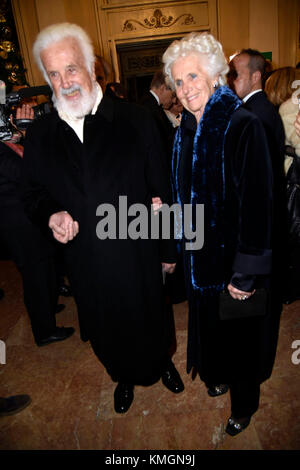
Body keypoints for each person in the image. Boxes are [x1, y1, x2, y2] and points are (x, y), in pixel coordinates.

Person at [21, 22, 184, 414]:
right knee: (106, 328)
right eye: (54, 74)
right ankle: (122, 376)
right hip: (85, 260)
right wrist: (50, 214)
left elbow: (162, 189)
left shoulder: (136, 119)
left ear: (91, 66)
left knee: (152, 319)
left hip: (138, 253)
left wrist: (168, 249)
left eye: (71, 68)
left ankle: (162, 364)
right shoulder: (42, 133)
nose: (65, 81)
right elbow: (32, 193)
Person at [162, 32, 277, 436]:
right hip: (199, 261)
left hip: (233, 264)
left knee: (242, 340)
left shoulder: (241, 125)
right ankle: (220, 373)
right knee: (213, 331)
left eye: (193, 76)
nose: (186, 87)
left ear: (214, 76)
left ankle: (244, 406)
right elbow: (180, 200)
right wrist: (173, 246)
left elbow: (260, 206)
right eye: (178, 81)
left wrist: (245, 273)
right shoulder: (184, 131)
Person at [0, 108, 74, 347]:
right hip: (19, 227)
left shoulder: (7, 144)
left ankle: (49, 306)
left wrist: (18, 137)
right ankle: (44, 331)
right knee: (35, 278)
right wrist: (29, 134)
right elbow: (28, 173)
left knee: (44, 272)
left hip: (29, 223)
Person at [139, 70, 177, 167]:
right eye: (173, 95)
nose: (174, 100)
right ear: (163, 88)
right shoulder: (149, 108)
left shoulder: (149, 104)